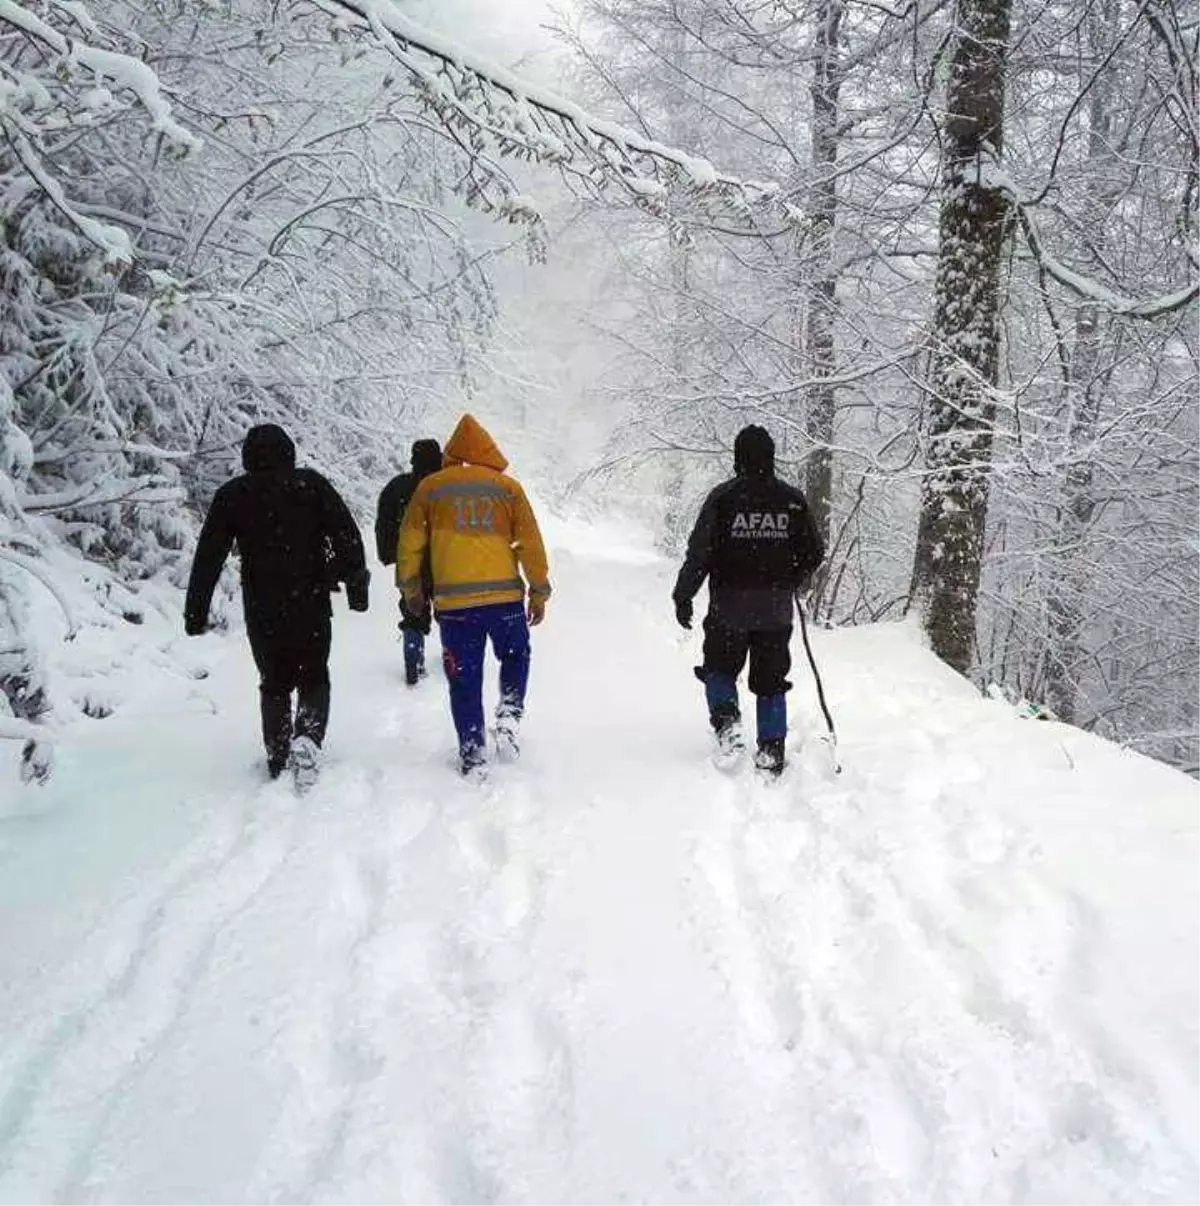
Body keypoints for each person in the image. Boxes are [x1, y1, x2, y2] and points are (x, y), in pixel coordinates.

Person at [184, 424, 369, 787]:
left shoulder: (233, 495)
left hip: (262, 604)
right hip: (310, 599)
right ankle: (308, 738)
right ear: (289, 451)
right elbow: (346, 533)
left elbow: (208, 556)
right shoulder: (310, 486)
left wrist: (196, 611)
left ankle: (278, 752)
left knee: (274, 680)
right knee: (313, 672)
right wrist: (356, 585)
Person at [397, 414, 551, 777]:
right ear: (488, 449)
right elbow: (530, 543)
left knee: (463, 676)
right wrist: (539, 591)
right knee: (515, 655)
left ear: (452, 452)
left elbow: (410, 545)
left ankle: (472, 749)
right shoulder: (507, 488)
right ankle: (510, 714)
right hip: (505, 601)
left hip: (455, 606)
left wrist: (412, 590)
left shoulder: (431, 489)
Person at [672, 424, 825, 777]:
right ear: (771, 457)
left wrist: (684, 595)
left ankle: (728, 726)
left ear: (737, 457)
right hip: (775, 610)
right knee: (771, 679)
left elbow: (700, 553)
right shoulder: (792, 500)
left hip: (729, 607)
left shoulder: (723, 499)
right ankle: (771, 749)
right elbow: (814, 552)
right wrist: (790, 578)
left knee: (720, 668)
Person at [374, 438, 442, 684]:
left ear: (413, 459)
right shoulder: (448, 486)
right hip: (445, 560)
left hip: (410, 559)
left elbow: (384, 523)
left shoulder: (398, 487)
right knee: (450, 612)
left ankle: (414, 657)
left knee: (413, 611)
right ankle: (454, 656)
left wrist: (388, 554)